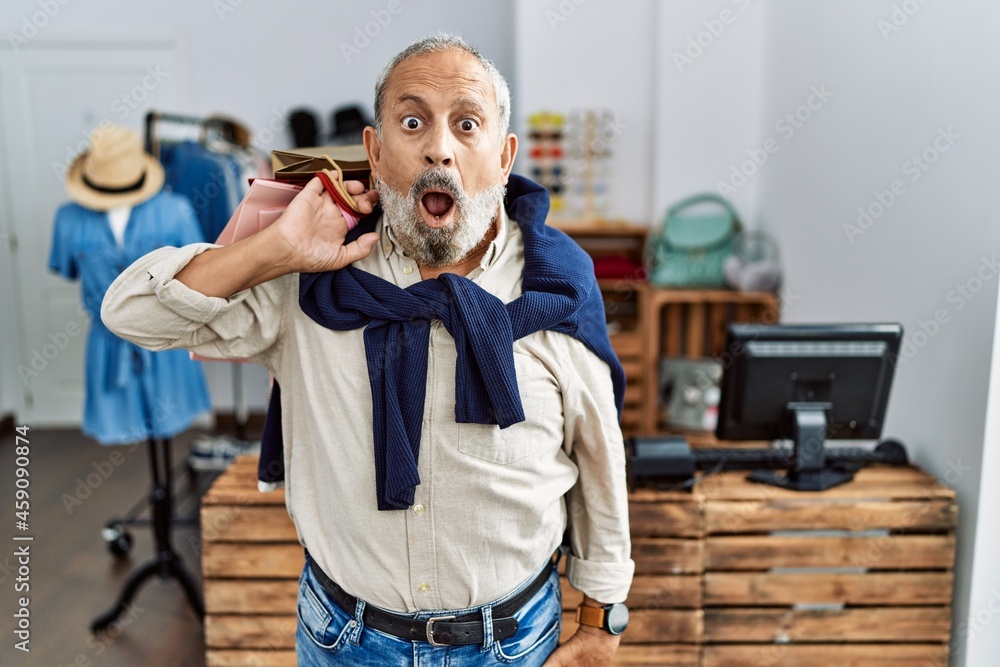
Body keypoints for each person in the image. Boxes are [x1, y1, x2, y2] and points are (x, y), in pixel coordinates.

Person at [101, 33, 634, 666]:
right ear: (375, 153)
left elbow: (600, 461)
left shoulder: (555, 284)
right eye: (413, 122)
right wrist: (274, 250)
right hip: (344, 640)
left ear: (504, 155)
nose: (439, 146)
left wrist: (602, 622)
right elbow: (130, 312)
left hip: (514, 643)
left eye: (468, 124)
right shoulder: (308, 276)